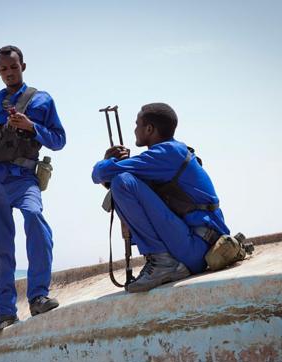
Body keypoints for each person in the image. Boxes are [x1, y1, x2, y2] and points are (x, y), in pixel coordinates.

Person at [0, 45, 66, 334]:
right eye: (4, 69)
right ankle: (5, 313)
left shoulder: (41, 99)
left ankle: (38, 296)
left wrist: (31, 126)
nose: (9, 73)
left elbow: (59, 140)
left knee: (35, 221)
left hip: (25, 177)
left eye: (14, 67)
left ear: (23, 66)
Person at [91, 103, 229, 293]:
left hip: (196, 248)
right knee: (125, 181)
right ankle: (163, 262)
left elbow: (99, 173)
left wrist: (108, 160)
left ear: (149, 129)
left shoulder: (167, 153)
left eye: (137, 124)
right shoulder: (172, 152)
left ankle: (163, 263)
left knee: (122, 182)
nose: (135, 130)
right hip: (200, 245)